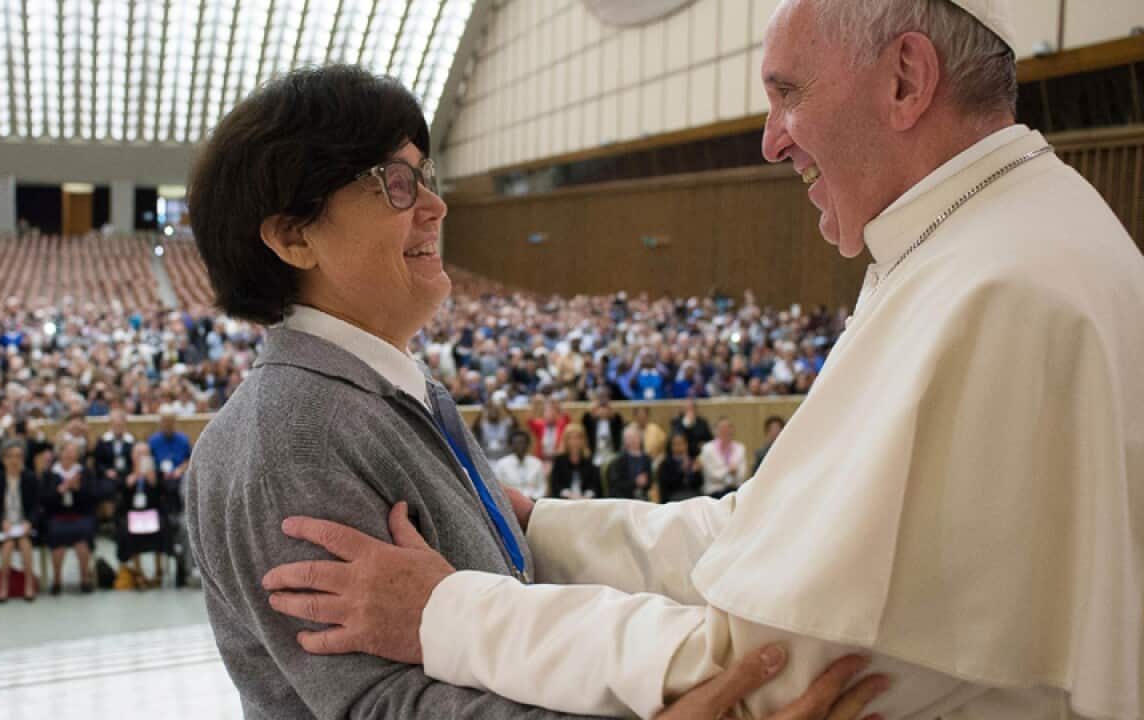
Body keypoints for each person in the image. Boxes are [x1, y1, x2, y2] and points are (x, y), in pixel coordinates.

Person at [262, 2, 1144, 718]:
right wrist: (541, 529)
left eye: (788, 93)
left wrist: (448, 614)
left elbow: (765, 675)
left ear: (907, 79)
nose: (771, 140)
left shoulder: (999, 292)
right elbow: (759, 539)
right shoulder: (985, 244)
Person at [181, 65, 887, 720]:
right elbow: (378, 705)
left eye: (426, 176)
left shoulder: (394, 391)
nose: (434, 205)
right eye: (394, 183)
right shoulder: (290, 434)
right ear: (292, 235)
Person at [0, 439, 41, 602]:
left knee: (24, 543)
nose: (14, 461)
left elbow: (37, 507)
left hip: (24, 525)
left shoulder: (30, 479)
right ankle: (3, 585)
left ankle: (29, 584)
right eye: (10, 457)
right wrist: (1, 522)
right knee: (7, 545)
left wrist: (29, 522)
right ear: (3, 459)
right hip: (5, 525)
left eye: (18, 456)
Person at [40, 440, 96, 594]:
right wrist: (60, 490)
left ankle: (85, 578)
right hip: (57, 515)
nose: (70, 455)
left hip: (80, 514)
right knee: (57, 534)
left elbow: (92, 497)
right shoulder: (49, 474)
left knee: (83, 535)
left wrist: (78, 489)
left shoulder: (85, 473)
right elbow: (44, 500)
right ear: (60, 453)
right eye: (67, 451)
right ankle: (57, 579)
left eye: (74, 452)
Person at [115, 442, 171, 589]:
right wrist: (132, 480)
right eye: (138, 454)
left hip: (152, 512)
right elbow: (119, 492)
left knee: (162, 526)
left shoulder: (156, 472)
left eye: (144, 454)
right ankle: (138, 572)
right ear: (132, 456)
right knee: (128, 530)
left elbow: (164, 493)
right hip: (132, 514)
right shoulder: (126, 472)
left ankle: (159, 571)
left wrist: (153, 481)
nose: (141, 457)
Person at [697, 417, 749, 498]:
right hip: (715, 490)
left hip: (736, 489)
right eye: (722, 428)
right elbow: (710, 475)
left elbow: (742, 474)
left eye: (728, 428)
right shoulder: (707, 448)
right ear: (715, 430)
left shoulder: (740, 448)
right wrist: (728, 471)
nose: (725, 431)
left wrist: (733, 473)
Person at [547, 425, 601, 500]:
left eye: (578, 438)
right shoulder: (559, 460)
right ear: (565, 440)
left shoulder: (589, 460)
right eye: (571, 438)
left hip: (586, 501)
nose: (574, 442)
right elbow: (555, 485)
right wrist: (568, 494)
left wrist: (586, 496)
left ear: (583, 440)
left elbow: (595, 485)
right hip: (564, 501)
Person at [492, 431, 547, 501]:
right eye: (517, 443)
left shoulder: (537, 463)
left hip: (534, 501)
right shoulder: (502, 464)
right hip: (511, 502)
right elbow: (498, 487)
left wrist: (535, 498)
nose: (520, 446)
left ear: (528, 445)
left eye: (523, 443)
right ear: (511, 445)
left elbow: (542, 486)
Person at [604, 426, 653, 501]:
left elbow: (650, 480)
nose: (633, 440)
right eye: (629, 438)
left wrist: (646, 482)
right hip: (624, 498)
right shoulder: (618, 461)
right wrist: (635, 482)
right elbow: (615, 485)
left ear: (640, 439)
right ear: (624, 441)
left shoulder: (647, 459)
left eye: (635, 437)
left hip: (643, 497)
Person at [581, 390, 624, 469]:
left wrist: (610, 407)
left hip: (612, 455)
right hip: (596, 455)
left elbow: (619, 420)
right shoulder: (592, 422)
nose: (603, 411)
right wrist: (594, 406)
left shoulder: (614, 422)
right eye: (601, 408)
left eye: (605, 408)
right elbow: (585, 420)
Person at [656, 432, 704, 503]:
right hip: (673, 498)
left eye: (681, 443)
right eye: (675, 444)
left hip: (692, 495)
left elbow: (699, 484)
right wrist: (682, 471)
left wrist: (695, 472)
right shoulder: (665, 464)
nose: (678, 447)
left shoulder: (692, 460)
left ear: (686, 445)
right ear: (671, 446)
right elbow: (667, 487)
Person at [471, 397, 518, 463]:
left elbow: (515, 423)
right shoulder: (483, 425)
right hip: (487, 458)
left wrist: (505, 407)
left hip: (503, 458)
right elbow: (475, 427)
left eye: (496, 411)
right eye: (491, 411)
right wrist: (484, 408)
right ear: (487, 413)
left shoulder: (505, 424)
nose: (493, 413)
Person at [526, 397, 570, 462]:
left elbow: (567, 417)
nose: (550, 415)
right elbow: (529, 420)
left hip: (557, 459)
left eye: (553, 413)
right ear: (544, 415)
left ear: (557, 415)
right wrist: (535, 404)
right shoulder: (540, 425)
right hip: (542, 458)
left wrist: (558, 405)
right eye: (547, 412)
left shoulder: (561, 424)